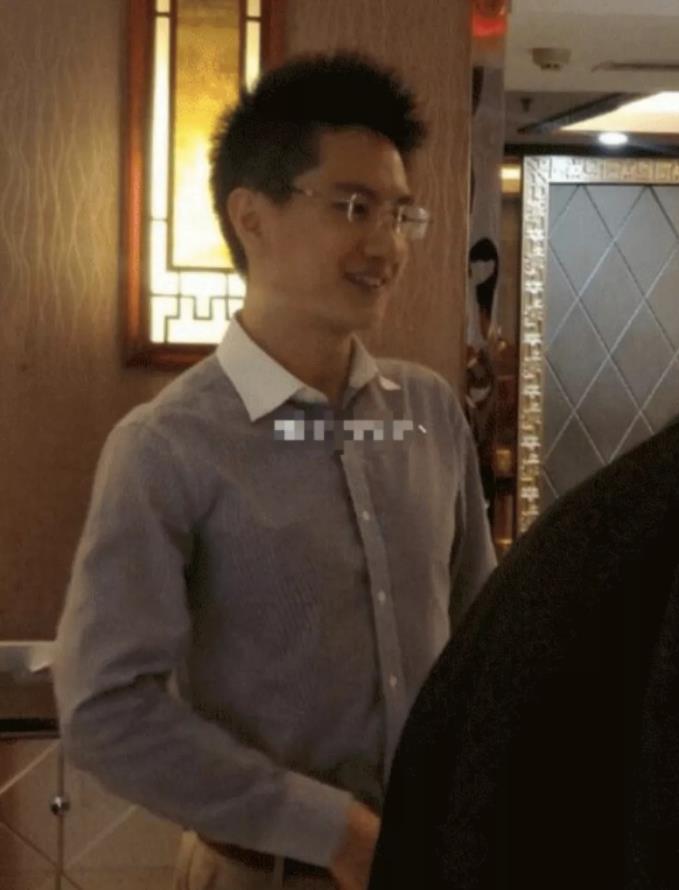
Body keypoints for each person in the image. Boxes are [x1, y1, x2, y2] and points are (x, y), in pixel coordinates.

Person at [53, 51, 495, 890]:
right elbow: (105, 710)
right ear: (251, 216)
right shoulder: (167, 446)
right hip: (263, 874)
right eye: (354, 207)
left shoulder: (430, 414)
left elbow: (485, 642)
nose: (386, 245)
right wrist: (336, 832)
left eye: (401, 214)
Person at [369, 408, 679, 889]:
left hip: (417, 813)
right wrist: (332, 827)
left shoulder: (427, 412)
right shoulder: (603, 536)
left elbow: (470, 598)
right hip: (297, 852)